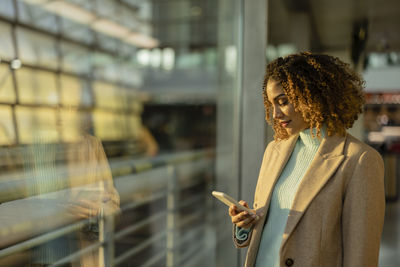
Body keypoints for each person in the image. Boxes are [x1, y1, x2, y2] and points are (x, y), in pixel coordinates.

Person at [228, 52, 385, 267]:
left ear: (312, 96)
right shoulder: (274, 151)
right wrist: (244, 226)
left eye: (282, 102)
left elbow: (361, 255)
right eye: (271, 103)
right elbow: (271, 227)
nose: (275, 114)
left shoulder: (359, 160)